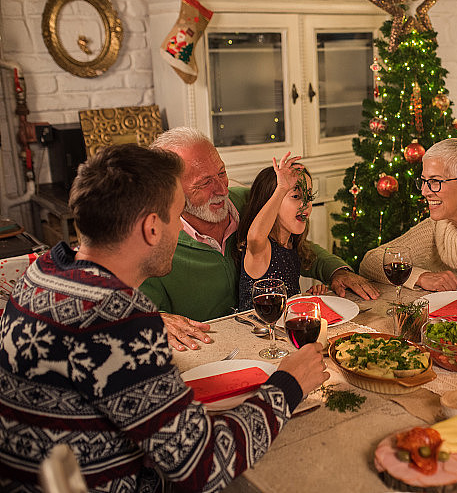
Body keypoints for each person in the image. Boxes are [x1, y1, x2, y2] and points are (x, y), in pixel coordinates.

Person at [0, 144, 329, 491]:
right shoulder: (117, 319)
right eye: (178, 217)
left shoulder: (44, 271)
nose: (183, 229)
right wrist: (288, 385)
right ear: (152, 228)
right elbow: (202, 464)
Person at [140, 127, 378, 351]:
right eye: (205, 183)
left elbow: (297, 247)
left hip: (271, 338)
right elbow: (131, 310)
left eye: (221, 173)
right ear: (170, 189)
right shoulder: (152, 243)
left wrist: (338, 271)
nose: (222, 189)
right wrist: (154, 319)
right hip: (212, 350)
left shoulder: (249, 201)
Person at [360, 138, 457, 291]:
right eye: (423, 181)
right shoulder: (438, 227)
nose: (424, 192)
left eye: (435, 181)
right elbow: (370, 261)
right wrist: (420, 277)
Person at [237, 153, 328, 309]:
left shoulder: (291, 244)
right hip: (253, 331)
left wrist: (306, 298)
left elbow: (288, 304)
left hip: (282, 329)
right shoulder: (262, 248)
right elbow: (255, 237)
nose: (305, 205)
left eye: (309, 196)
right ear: (271, 202)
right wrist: (282, 188)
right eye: (296, 196)